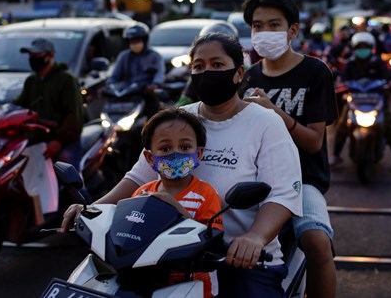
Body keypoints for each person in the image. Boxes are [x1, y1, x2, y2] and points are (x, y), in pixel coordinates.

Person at [62, 32, 303, 297]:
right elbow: (138, 177)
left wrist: (254, 238)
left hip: (238, 259)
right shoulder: (180, 121)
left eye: (217, 64)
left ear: (238, 73)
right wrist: (93, 209)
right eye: (198, 66)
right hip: (162, 256)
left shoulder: (265, 123)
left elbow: (283, 195)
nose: (207, 72)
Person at [239, 0, 339, 298]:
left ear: (292, 30)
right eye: (257, 26)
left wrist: (275, 112)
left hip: (302, 180)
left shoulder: (315, 72)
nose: (264, 33)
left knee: (317, 242)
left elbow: (313, 143)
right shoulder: (248, 77)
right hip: (256, 180)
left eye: (273, 25)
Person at [133, 107, 222, 297]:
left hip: (195, 287)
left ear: (198, 154)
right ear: (150, 157)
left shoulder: (206, 194)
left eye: (185, 148)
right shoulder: (142, 193)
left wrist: (172, 206)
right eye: (165, 149)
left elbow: (209, 241)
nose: (175, 154)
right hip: (149, 285)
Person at [330, 31, 391, 173]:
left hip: (377, 102)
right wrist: (339, 84)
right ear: (354, 48)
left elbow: (388, 76)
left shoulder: (378, 63)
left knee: (389, 125)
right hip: (354, 102)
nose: (362, 50)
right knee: (341, 125)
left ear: (371, 48)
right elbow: (342, 79)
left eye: (365, 47)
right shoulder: (350, 64)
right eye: (359, 47)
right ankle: (335, 155)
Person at [14, 38, 84, 169]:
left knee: (69, 180)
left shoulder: (67, 80)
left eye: (37, 55)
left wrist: (59, 141)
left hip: (64, 141)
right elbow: (20, 106)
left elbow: (74, 115)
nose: (33, 58)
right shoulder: (32, 81)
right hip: (38, 140)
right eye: (31, 55)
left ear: (50, 55)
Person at [175, 21, 240, 107]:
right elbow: (184, 102)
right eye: (199, 66)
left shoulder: (248, 73)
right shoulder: (196, 75)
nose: (207, 70)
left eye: (217, 65)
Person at [110, 22, 166, 117]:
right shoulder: (124, 56)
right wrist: (108, 86)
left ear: (144, 40)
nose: (134, 44)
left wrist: (155, 84)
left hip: (146, 94)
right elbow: (114, 76)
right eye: (132, 41)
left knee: (155, 115)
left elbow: (160, 74)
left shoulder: (154, 56)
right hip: (126, 94)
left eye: (137, 40)